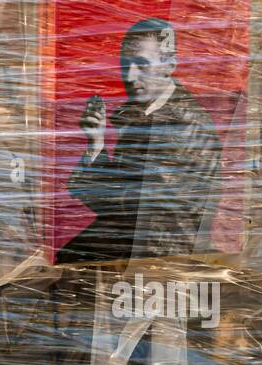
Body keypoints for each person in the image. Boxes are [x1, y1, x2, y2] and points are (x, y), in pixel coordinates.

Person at [59, 18, 223, 263]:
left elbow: (134, 208)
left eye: (141, 65)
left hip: (161, 252)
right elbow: (126, 188)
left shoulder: (184, 125)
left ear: (169, 65)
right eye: (125, 65)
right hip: (136, 239)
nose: (130, 76)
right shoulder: (143, 113)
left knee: (67, 267)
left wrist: (96, 152)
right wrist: (96, 144)